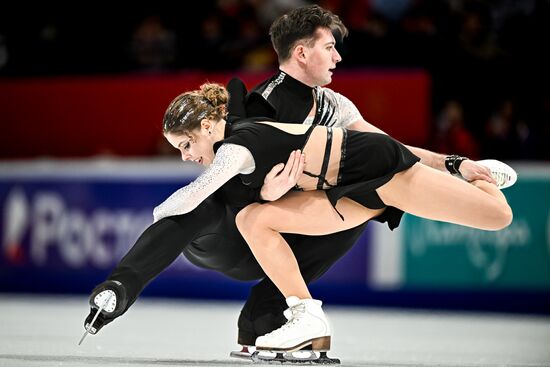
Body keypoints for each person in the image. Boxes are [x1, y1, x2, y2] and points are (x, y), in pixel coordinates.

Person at [83, 4, 505, 349]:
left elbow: (391, 147)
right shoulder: (262, 105)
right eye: (329, 47)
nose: (338, 56)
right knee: (241, 214)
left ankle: (277, 318)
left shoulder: (335, 104)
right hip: (293, 207)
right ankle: (286, 316)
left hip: (362, 177)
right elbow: (229, 183)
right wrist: (264, 191)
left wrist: (456, 164)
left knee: (495, 216)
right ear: (301, 53)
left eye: (186, 147)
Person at [156, 81, 514, 352]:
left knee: (498, 215)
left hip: (376, 168)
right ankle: (307, 316)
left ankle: (478, 175)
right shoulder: (234, 137)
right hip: (344, 190)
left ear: (205, 126)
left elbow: (195, 194)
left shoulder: (234, 147)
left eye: (185, 145)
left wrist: (156, 217)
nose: (186, 157)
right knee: (252, 219)